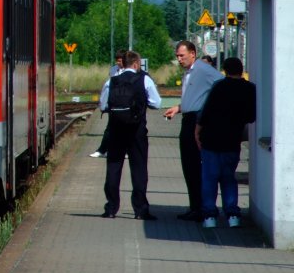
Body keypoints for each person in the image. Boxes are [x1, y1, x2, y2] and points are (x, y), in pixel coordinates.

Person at [163, 40, 223, 222]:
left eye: (182, 55)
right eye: (177, 56)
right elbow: (195, 96)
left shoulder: (203, 70)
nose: (179, 59)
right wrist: (179, 107)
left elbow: (220, 85)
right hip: (188, 118)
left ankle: (201, 208)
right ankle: (195, 206)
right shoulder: (189, 72)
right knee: (189, 165)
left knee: (194, 165)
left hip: (197, 120)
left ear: (193, 54)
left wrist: (208, 110)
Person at [98, 51, 162, 220]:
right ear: (136, 64)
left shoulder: (112, 81)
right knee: (139, 169)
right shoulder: (144, 79)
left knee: (113, 167)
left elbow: (103, 105)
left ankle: (111, 209)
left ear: (123, 63)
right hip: (137, 131)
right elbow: (157, 103)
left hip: (115, 129)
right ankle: (140, 210)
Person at [196, 57, 256, 229]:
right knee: (229, 177)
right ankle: (232, 215)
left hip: (211, 139)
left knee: (210, 178)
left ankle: (209, 216)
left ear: (225, 70)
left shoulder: (219, 87)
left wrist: (197, 131)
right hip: (232, 140)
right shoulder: (250, 89)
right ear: (241, 69)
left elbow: (205, 111)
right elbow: (251, 116)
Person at [90, 49, 127, 159]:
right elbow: (108, 87)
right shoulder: (113, 70)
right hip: (114, 103)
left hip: (125, 104)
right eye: (117, 61)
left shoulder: (130, 71)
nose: (118, 63)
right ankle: (102, 150)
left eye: (120, 61)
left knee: (124, 129)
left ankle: (124, 151)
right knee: (110, 128)